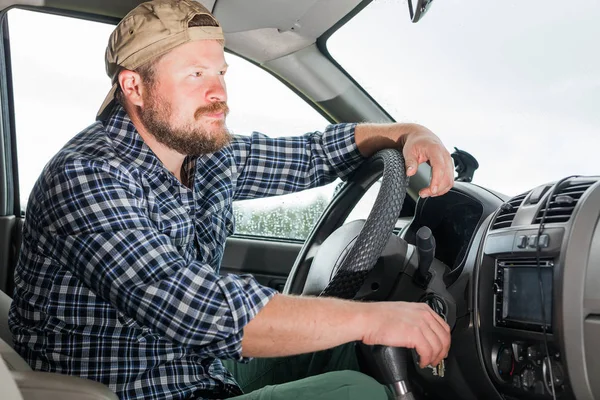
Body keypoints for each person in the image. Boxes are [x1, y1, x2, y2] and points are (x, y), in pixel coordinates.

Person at [9, 1, 454, 399]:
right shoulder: (87, 175)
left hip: (197, 367)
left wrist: (407, 133)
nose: (219, 91)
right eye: (195, 74)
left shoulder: (205, 155)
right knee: (357, 391)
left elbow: (315, 154)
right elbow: (199, 312)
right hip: (133, 390)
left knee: (352, 352)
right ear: (135, 87)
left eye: (220, 72)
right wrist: (374, 318)